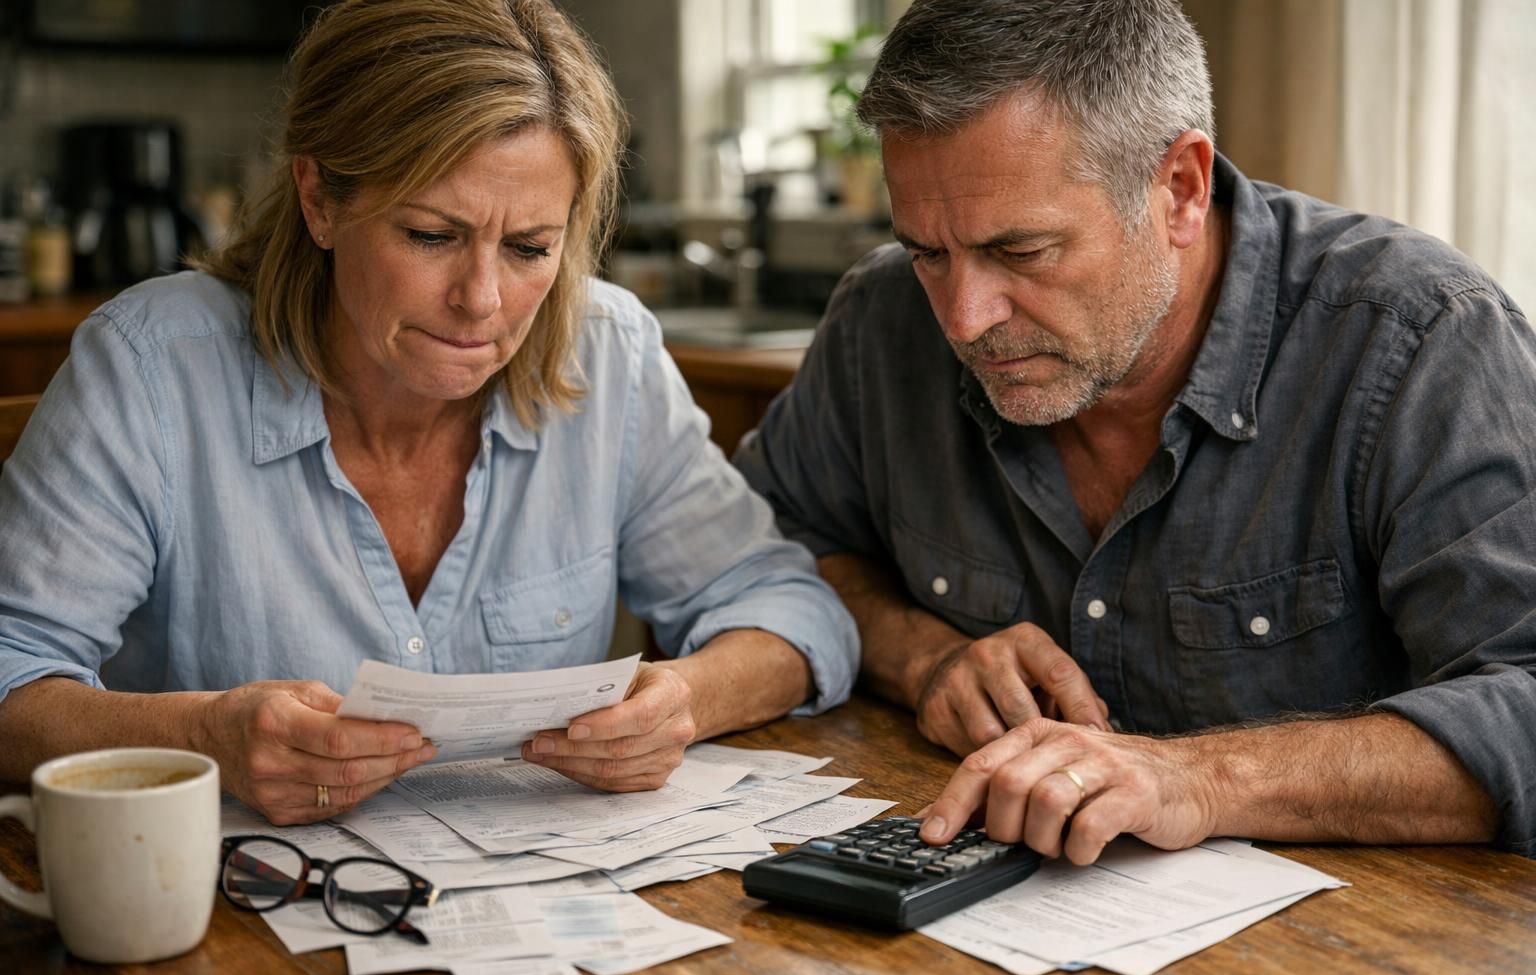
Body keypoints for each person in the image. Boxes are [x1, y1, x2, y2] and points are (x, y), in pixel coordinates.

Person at [0, 0, 857, 826]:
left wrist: (686, 701)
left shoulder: (610, 354)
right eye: (431, 236)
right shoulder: (152, 367)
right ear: (319, 200)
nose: (482, 301)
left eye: (529, 249)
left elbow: (791, 610)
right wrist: (201, 738)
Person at [734, 0, 1536, 865]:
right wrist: (920, 655)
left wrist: (1200, 780)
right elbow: (761, 557)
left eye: (1024, 251)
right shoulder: (880, 321)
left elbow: (1524, 705)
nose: (965, 321)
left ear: (1181, 189)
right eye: (929, 251)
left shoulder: (1420, 340)